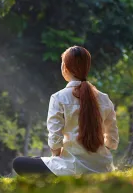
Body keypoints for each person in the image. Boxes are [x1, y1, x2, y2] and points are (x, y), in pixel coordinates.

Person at [12, 45, 119, 176]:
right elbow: (112, 141)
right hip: (103, 168)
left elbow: (55, 140)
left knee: (19, 163)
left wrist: (56, 157)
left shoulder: (58, 97)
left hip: (71, 169)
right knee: (36, 160)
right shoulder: (104, 98)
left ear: (65, 68)